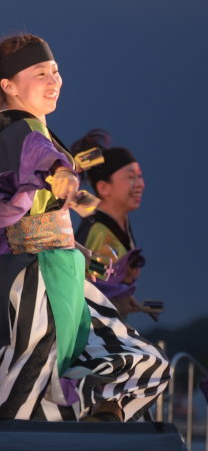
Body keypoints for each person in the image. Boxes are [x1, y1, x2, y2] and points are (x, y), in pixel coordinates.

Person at [0, 35, 168, 424]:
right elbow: (38, 155)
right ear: (9, 86)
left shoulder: (13, 127)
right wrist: (60, 170)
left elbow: (39, 189)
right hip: (38, 283)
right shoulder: (19, 127)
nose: (55, 80)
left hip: (57, 274)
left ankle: (90, 437)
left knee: (138, 365)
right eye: (41, 73)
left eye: (57, 71)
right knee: (21, 400)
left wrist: (80, 250)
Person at [72, 130, 146, 316]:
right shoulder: (97, 229)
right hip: (94, 329)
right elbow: (81, 270)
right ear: (104, 187)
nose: (140, 184)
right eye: (130, 177)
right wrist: (117, 273)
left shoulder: (119, 224)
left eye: (139, 176)